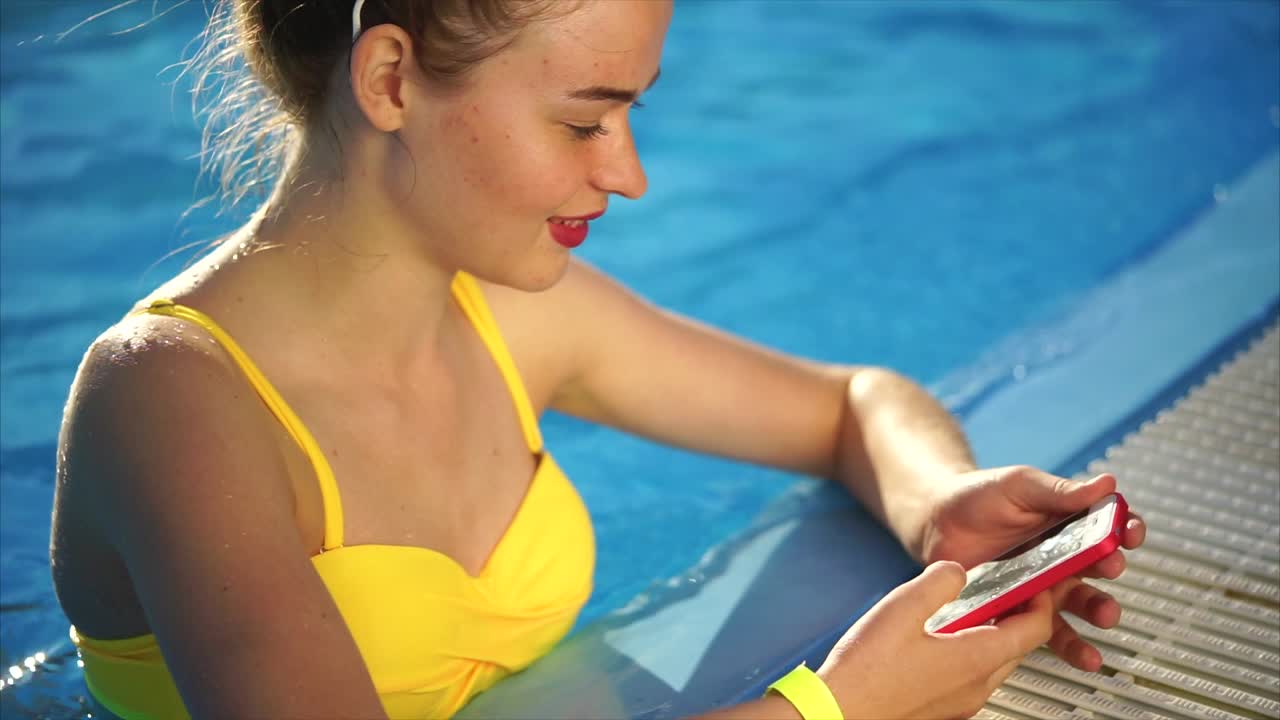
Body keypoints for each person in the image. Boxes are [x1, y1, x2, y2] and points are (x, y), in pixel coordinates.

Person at [48, 1, 1146, 719]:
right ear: (388, 82)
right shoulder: (168, 404)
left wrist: (936, 507)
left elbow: (851, 403)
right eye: (585, 122)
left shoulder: (514, 315)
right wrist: (833, 709)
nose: (629, 177)